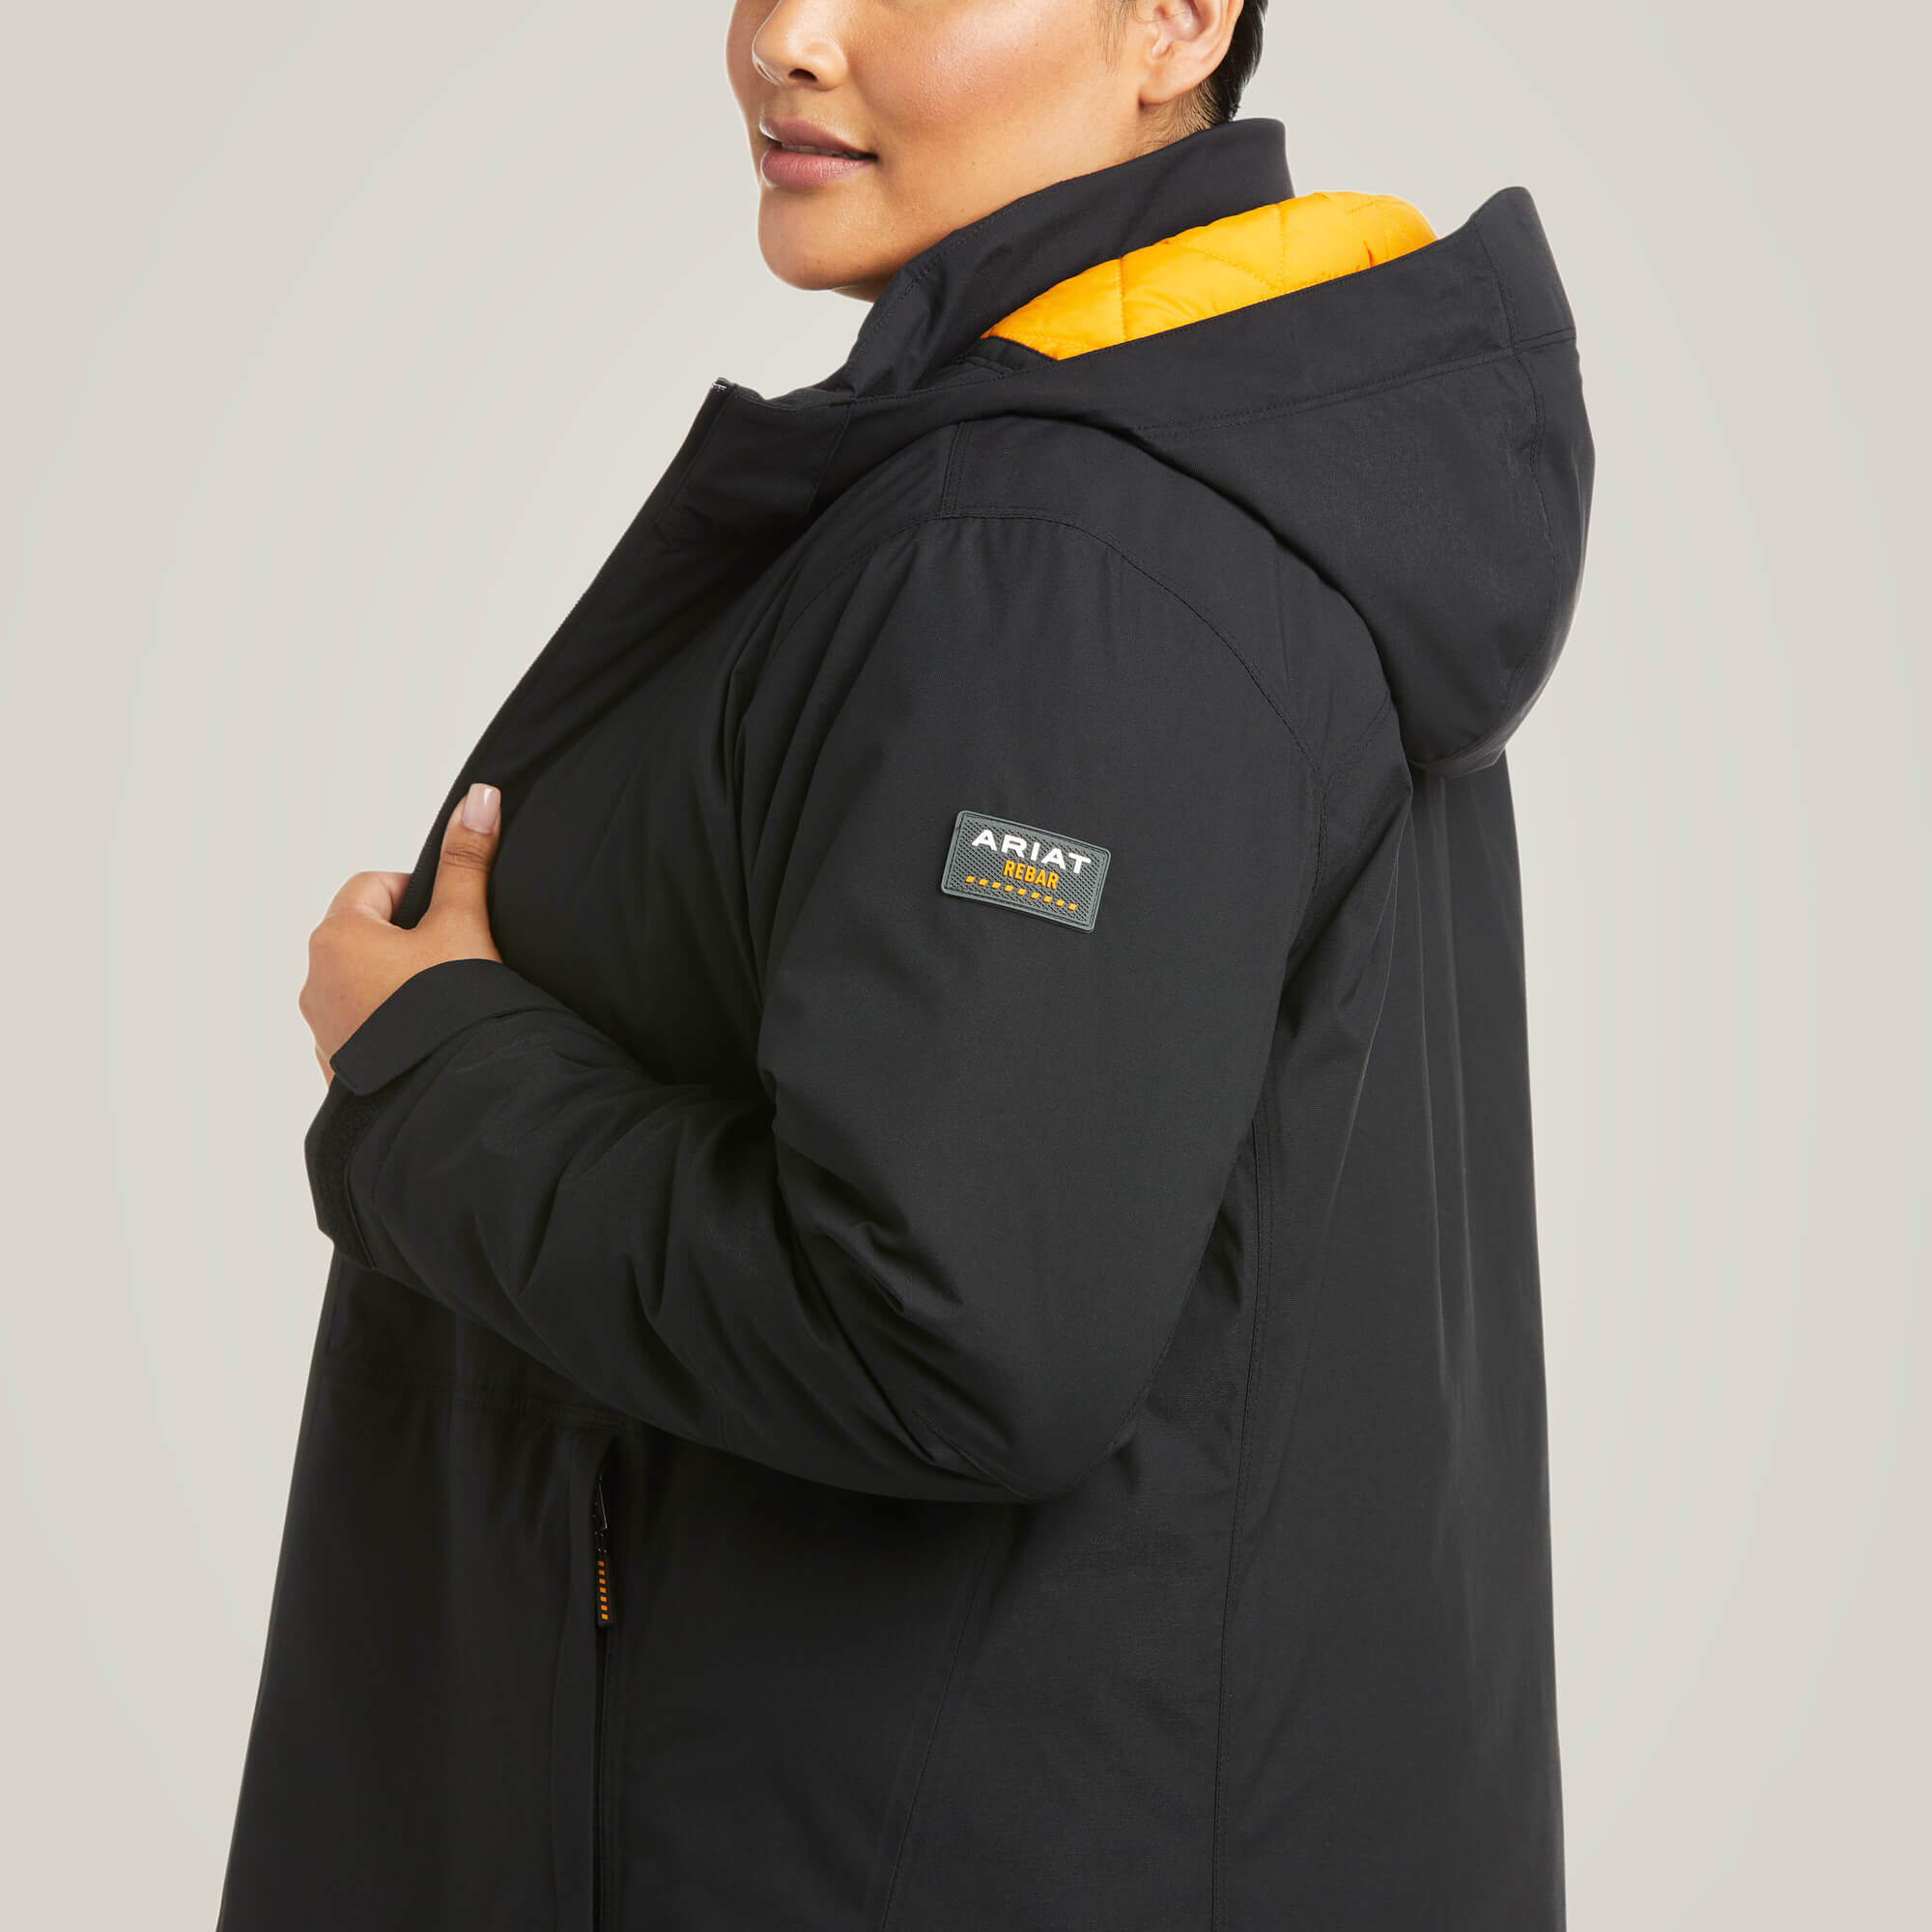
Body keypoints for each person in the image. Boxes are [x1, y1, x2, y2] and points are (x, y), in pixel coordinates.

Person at [217, 2, 1593, 1927]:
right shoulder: (1149, 473)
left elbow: (943, 1330)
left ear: (1176, 20)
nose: (786, 38)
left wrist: (440, 1077)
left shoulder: (1069, 557)